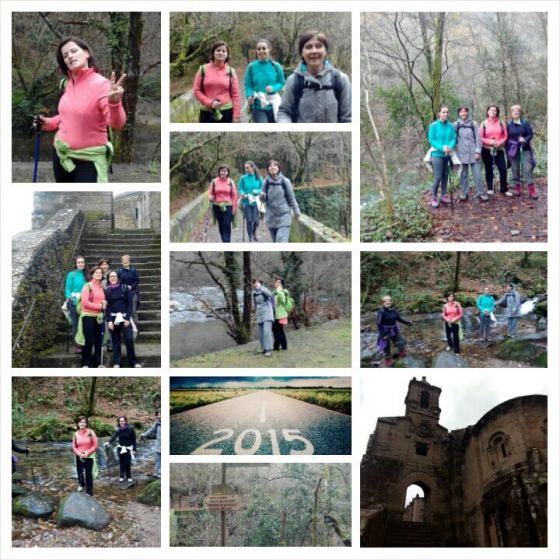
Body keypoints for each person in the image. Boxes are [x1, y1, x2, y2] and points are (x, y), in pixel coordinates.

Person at [36, 36, 126, 183]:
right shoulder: (67, 84)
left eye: (73, 51)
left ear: (86, 53)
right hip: (61, 155)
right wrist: (50, 122)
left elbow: (116, 124)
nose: (70, 56)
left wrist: (114, 103)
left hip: (88, 161)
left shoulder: (102, 85)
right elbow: (68, 115)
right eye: (65, 55)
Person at [277, 31, 351, 123]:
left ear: (325, 51)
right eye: (308, 47)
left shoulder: (340, 80)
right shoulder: (293, 80)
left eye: (318, 46)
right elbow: (284, 112)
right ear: (302, 53)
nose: (314, 51)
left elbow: (348, 118)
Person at [193, 41, 240, 123]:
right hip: (207, 111)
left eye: (223, 51)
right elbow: (196, 91)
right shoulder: (202, 69)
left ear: (227, 54)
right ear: (213, 53)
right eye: (218, 50)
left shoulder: (231, 72)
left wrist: (236, 115)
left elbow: (235, 95)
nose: (221, 53)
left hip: (226, 111)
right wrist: (210, 103)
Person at [105, 270, 142, 368]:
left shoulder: (124, 288)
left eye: (115, 276)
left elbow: (130, 304)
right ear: (108, 278)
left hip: (125, 317)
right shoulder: (107, 290)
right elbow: (107, 307)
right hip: (113, 318)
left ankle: (134, 362)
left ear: (118, 278)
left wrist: (127, 318)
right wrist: (109, 320)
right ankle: (117, 362)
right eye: (111, 276)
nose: (113, 278)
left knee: (129, 339)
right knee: (115, 340)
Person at [245, 39, 285, 123]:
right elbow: (248, 85)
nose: (261, 51)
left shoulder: (276, 66)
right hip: (258, 106)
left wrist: (273, 88)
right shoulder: (251, 67)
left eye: (264, 48)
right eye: (258, 49)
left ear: (269, 49)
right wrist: (249, 95)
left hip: (274, 105)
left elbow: (281, 82)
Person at [260, 160, 301, 242]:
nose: (272, 167)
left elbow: (291, 198)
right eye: (270, 166)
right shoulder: (266, 182)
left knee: (281, 240)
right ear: (268, 169)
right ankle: (284, 255)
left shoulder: (285, 181)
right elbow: (263, 200)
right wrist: (261, 196)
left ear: (278, 168)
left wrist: (297, 212)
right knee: (275, 241)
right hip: (271, 217)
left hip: (284, 216)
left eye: (275, 165)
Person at [453, 106, 488, 202]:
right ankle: (464, 193)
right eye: (461, 112)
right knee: (463, 175)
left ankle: (481, 193)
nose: (463, 113)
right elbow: (453, 138)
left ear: (467, 113)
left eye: (465, 111)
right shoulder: (456, 125)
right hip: (461, 154)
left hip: (474, 153)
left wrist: (477, 151)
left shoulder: (474, 124)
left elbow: (478, 138)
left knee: (477, 175)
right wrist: (454, 149)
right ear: (459, 113)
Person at [427, 105, 457, 208]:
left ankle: (443, 196)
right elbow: (431, 139)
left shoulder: (451, 126)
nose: (445, 114)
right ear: (439, 113)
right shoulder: (434, 126)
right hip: (437, 154)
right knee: (438, 176)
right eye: (443, 112)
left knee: (445, 175)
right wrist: (442, 148)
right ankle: (434, 197)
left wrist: (450, 147)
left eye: (447, 112)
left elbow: (453, 138)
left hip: (448, 154)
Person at [77, 266, 107, 368]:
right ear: (92, 274)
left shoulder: (102, 287)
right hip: (88, 316)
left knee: (99, 340)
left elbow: (103, 300)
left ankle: (98, 363)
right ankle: (85, 363)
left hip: (99, 316)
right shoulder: (87, 286)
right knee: (89, 340)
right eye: (96, 273)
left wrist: (104, 302)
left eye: (100, 273)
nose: (99, 274)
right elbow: (85, 303)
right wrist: (99, 306)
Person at [506, 104, 538, 199]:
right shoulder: (508, 125)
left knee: (527, 168)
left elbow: (530, 134)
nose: (516, 112)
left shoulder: (525, 123)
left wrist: (525, 139)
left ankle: (532, 190)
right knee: (515, 169)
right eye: (514, 111)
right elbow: (506, 137)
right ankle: (518, 188)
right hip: (513, 150)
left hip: (525, 149)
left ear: (520, 113)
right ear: (511, 113)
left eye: (517, 111)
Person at [480, 105, 512, 196]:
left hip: (499, 149)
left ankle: (504, 189)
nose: (492, 112)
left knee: (503, 168)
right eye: (491, 110)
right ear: (487, 112)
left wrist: (500, 142)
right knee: (489, 168)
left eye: (494, 110)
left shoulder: (501, 123)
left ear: (497, 112)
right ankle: (490, 187)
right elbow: (480, 137)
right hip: (487, 149)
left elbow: (505, 135)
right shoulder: (483, 123)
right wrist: (490, 141)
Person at [376, 295, 412, 367]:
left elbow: (399, 319)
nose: (388, 302)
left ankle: (401, 351)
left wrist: (408, 323)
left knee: (401, 340)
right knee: (387, 345)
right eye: (386, 301)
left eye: (389, 300)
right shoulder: (381, 312)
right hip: (385, 330)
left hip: (394, 328)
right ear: (383, 303)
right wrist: (383, 334)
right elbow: (379, 324)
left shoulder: (393, 310)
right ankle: (387, 359)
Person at [64, 255, 89, 352]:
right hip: (74, 302)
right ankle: (78, 345)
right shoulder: (71, 274)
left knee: (84, 324)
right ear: (76, 264)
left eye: (82, 262)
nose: (81, 264)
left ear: (84, 263)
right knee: (75, 324)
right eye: (79, 262)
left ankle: (86, 343)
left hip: (85, 303)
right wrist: (69, 298)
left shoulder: (87, 275)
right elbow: (68, 288)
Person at [208, 165, 238, 243]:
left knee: (227, 224)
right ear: (219, 172)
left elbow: (234, 195)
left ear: (228, 172)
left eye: (225, 171)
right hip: (217, 206)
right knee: (221, 225)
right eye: (221, 171)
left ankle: (227, 241)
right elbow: (210, 193)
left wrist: (234, 208)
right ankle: (223, 240)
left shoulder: (231, 182)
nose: (223, 173)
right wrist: (210, 196)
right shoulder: (214, 181)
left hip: (228, 206)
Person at [105, 416, 137, 484]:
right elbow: (114, 436)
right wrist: (109, 442)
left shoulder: (130, 429)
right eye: (120, 421)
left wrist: (134, 449)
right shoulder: (118, 430)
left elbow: (134, 440)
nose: (122, 422)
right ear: (119, 422)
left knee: (127, 463)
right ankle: (121, 476)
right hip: (120, 448)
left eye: (123, 421)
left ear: (125, 421)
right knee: (121, 463)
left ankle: (128, 476)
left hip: (128, 448)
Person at [71, 416, 98, 496]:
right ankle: (81, 484)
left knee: (88, 474)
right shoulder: (75, 434)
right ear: (78, 423)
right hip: (79, 456)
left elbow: (95, 445)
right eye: (81, 422)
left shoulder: (91, 432)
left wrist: (87, 453)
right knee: (80, 472)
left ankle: (89, 492)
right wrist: (79, 453)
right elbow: (74, 446)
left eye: (84, 422)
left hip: (89, 456)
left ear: (86, 424)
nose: (82, 424)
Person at [238, 161, 263, 241]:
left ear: (253, 168)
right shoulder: (243, 178)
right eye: (245, 168)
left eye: (248, 168)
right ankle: (250, 238)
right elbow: (240, 189)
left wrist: (257, 191)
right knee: (249, 220)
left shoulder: (258, 177)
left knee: (256, 220)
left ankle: (254, 232)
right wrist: (242, 193)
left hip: (256, 202)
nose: (246, 169)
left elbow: (262, 188)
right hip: (246, 202)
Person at [252, 279, 274, 357]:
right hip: (259, 314)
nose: (256, 284)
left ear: (260, 284)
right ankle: (263, 348)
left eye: (257, 283)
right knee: (261, 332)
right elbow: (254, 304)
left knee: (266, 331)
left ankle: (269, 349)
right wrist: (255, 314)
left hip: (267, 312)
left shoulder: (264, 289)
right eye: (254, 283)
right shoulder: (254, 293)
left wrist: (261, 288)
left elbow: (270, 295)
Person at [118, 254, 140, 323]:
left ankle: (135, 328)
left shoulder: (133, 270)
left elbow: (137, 281)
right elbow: (118, 282)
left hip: (133, 292)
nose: (125, 262)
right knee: (125, 310)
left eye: (127, 261)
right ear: (122, 262)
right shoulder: (120, 271)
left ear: (129, 262)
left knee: (133, 310)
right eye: (124, 261)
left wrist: (131, 286)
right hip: (124, 293)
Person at [140, 410, 161, 479]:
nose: (159, 416)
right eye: (157, 415)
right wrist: (144, 435)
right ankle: (156, 472)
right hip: (158, 444)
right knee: (157, 459)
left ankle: (160, 473)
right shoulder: (157, 423)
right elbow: (151, 430)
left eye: (160, 414)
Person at [272, 278, 290, 351]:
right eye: (276, 282)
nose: (276, 283)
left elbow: (283, 301)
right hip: (277, 314)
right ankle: (284, 346)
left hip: (280, 314)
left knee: (276, 330)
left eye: (278, 282)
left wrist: (279, 291)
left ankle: (276, 346)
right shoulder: (275, 292)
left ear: (282, 284)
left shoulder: (281, 292)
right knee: (280, 330)